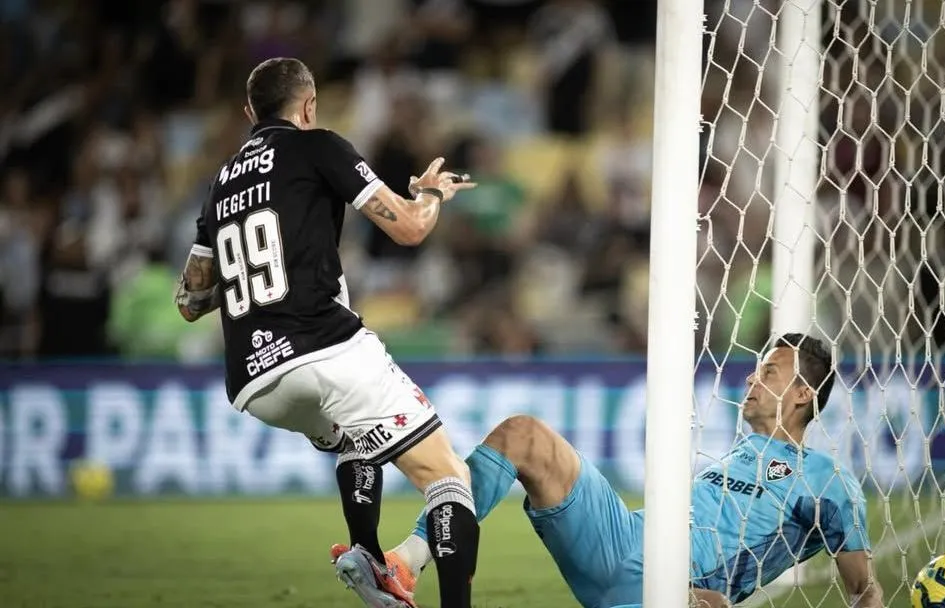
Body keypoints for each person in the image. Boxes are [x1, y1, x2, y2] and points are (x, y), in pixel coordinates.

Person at [174, 57, 478, 608]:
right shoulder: (317, 146)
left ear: (250, 113)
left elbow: (190, 302)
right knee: (449, 477)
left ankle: (368, 556)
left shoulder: (220, 185)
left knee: (352, 436)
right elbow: (409, 228)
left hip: (253, 380)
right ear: (309, 106)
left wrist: (251, 266)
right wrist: (431, 195)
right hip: (324, 345)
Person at [361, 333, 884, 607]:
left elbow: (863, 590)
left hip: (677, 590)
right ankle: (406, 561)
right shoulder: (734, 451)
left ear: (801, 394)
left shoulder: (828, 483)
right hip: (625, 537)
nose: (751, 378)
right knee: (524, 434)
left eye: (769, 372)